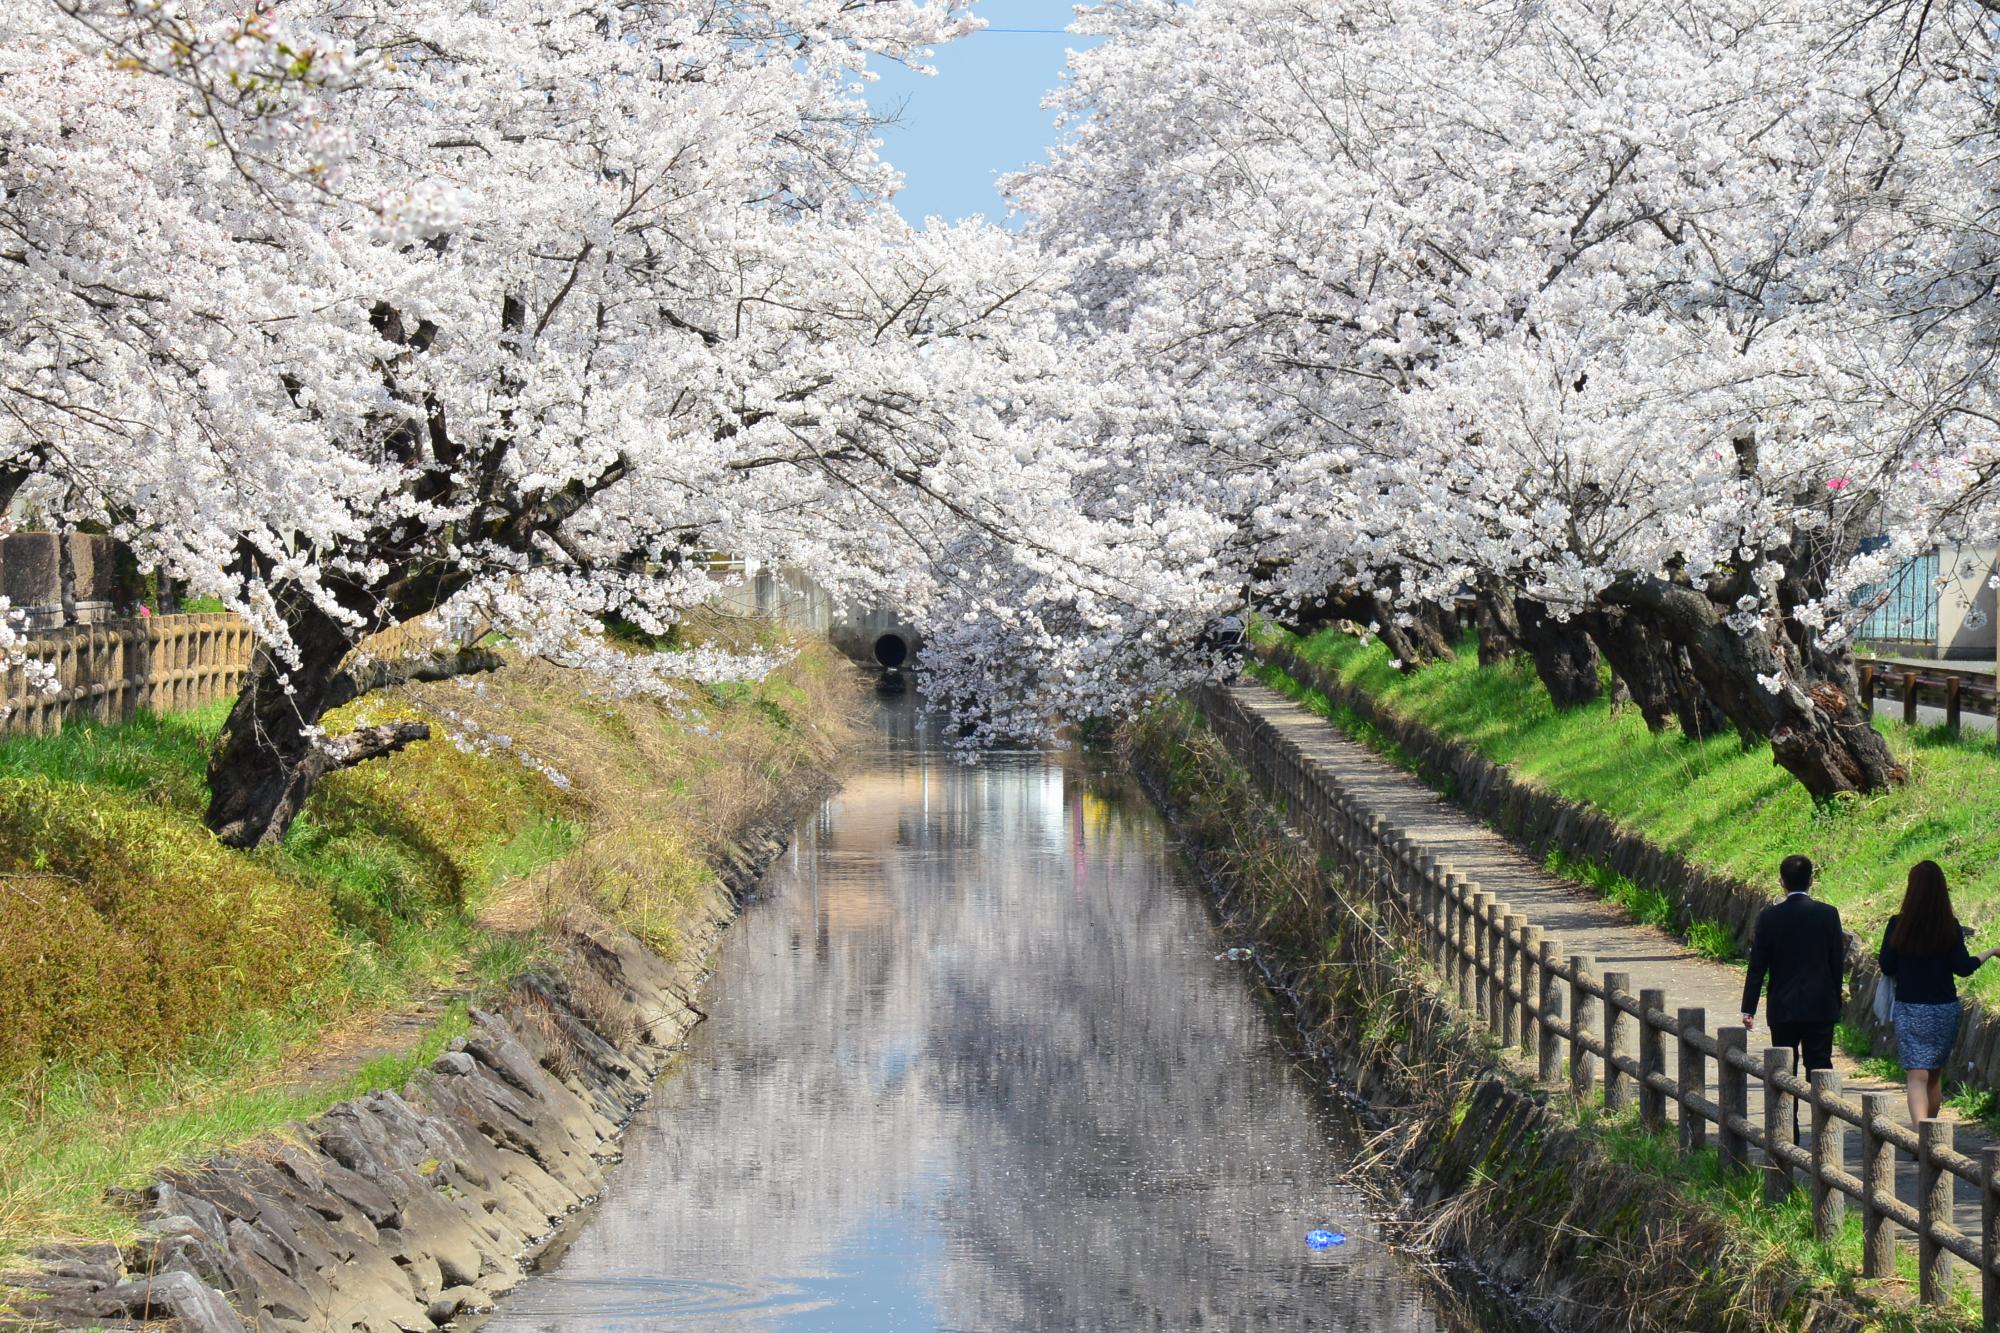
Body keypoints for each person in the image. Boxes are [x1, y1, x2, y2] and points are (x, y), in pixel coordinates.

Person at [1879, 860, 1999, 1126]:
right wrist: (1990, 951)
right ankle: (1931, 1136)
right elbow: (1963, 968)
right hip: (1944, 1009)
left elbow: (1886, 965)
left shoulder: (1898, 924)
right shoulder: (1950, 926)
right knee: (1934, 1075)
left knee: (1916, 1076)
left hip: (1910, 1008)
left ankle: (1923, 1138)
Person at [1740, 854, 1845, 1075]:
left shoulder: (1769, 917)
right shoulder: (1827, 914)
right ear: (1811, 881)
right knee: (1820, 1068)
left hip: (1782, 1006)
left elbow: (1758, 966)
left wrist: (1749, 1008)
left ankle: (1787, 1111)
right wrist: (1836, 1002)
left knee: (1784, 1071)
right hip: (1820, 1006)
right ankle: (1822, 1110)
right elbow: (1837, 962)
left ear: (1782, 882)